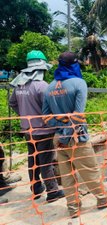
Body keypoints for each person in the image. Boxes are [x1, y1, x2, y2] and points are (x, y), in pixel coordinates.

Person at [42, 52, 107, 218]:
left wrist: (60, 123)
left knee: (67, 176)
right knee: (90, 170)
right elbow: (78, 115)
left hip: (60, 140)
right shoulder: (79, 83)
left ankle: (73, 208)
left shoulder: (49, 88)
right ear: (74, 65)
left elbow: (46, 118)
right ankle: (103, 199)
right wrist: (69, 123)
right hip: (78, 137)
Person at [9, 50, 64, 202]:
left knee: (33, 158)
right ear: (41, 69)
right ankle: (52, 191)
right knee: (46, 159)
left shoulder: (19, 85)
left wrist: (24, 114)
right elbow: (52, 107)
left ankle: (36, 188)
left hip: (28, 129)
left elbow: (12, 102)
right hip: (43, 130)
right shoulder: (42, 86)